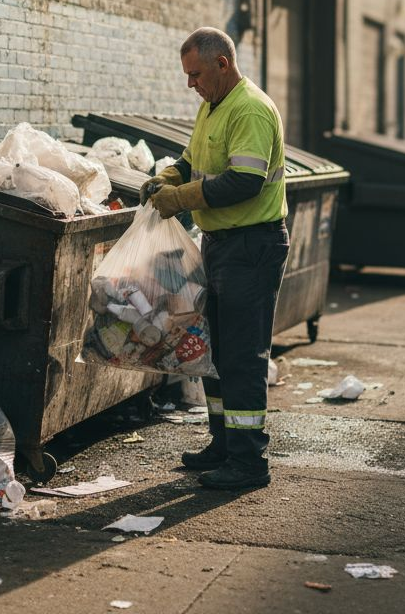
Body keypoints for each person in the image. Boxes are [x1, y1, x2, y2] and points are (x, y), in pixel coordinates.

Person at [141, 27, 290, 490]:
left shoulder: (250, 109)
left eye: (196, 74)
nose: (191, 84)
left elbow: (244, 181)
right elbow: (192, 160)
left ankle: (248, 463)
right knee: (217, 353)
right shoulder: (213, 106)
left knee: (243, 358)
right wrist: (167, 175)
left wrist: (180, 197)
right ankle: (225, 444)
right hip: (223, 246)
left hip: (251, 247)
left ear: (222, 64)